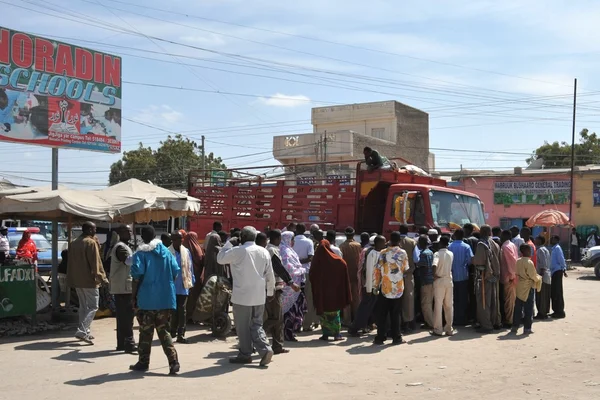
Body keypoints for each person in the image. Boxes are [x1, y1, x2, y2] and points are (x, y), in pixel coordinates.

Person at [217, 226, 275, 366]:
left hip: (242, 296)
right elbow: (270, 274)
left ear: (242, 237)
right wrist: (270, 292)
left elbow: (220, 258)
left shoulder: (238, 251)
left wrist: (229, 243)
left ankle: (245, 353)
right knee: (256, 324)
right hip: (259, 295)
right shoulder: (264, 251)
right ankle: (265, 348)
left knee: (242, 327)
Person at [130, 226, 180, 375]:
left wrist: (133, 297)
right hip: (165, 299)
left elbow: (136, 275)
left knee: (146, 332)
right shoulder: (166, 252)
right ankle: (173, 362)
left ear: (142, 237)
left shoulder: (141, 253)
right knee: (164, 331)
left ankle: (143, 362)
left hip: (146, 299)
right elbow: (175, 271)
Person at [67, 222, 107, 344]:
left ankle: (86, 332)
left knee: (83, 307)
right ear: (89, 230)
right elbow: (96, 264)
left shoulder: (74, 243)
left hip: (77, 280)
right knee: (93, 306)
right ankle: (82, 330)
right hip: (89, 280)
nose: (95, 231)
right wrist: (103, 279)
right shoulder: (90, 243)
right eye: (94, 229)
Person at [264, 230, 300, 354]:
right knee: (276, 318)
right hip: (274, 288)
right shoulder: (272, 250)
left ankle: (277, 345)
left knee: (276, 318)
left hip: (273, 288)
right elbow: (279, 268)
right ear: (277, 238)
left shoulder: (270, 249)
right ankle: (258, 335)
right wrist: (291, 282)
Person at [310, 238, 352, 341]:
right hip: (335, 293)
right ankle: (337, 334)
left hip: (322, 293)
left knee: (324, 314)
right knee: (334, 313)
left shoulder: (317, 261)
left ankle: (325, 334)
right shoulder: (338, 261)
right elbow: (344, 266)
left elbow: (311, 274)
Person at [373, 231, 409, 345]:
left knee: (382, 314)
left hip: (384, 287)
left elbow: (377, 270)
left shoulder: (383, 252)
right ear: (399, 241)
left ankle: (380, 337)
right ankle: (396, 337)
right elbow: (405, 269)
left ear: (390, 240)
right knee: (395, 314)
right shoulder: (403, 253)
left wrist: (375, 286)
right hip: (398, 288)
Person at [349, 235, 386, 336]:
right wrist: (369, 288)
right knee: (365, 308)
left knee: (375, 308)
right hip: (371, 286)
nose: (385, 244)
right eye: (383, 242)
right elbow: (369, 272)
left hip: (378, 286)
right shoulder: (372, 254)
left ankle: (371, 325)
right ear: (377, 243)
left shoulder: (382, 253)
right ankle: (354, 328)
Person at [109, 225, 137, 353]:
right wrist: (142, 253)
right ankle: (129, 343)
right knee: (126, 317)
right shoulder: (120, 247)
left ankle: (122, 343)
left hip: (123, 286)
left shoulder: (125, 246)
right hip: (122, 287)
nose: (130, 233)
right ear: (121, 233)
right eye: (128, 231)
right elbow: (128, 261)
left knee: (123, 317)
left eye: (131, 231)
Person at [472, 225, 501, 333]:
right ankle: (493, 322)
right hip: (494, 276)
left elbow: (479, 262)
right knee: (493, 300)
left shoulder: (481, 244)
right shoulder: (494, 243)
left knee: (483, 301)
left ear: (481, 232)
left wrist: (472, 260)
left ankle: (486, 325)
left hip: (484, 276)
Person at [279, 231, 307, 341]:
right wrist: (301, 270)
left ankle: (288, 333)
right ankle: (287, 334)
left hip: (294, 286)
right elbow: (288, 268)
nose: (293, 241)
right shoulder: (284, 251)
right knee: (288, 311)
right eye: (292, 239)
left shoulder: (288, 250)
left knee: (292, 310)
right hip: (289, 287)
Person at [168, 231, 194, 343]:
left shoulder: (186, 251)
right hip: (171, 285)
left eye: (181, 238)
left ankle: (181, 334)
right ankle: (172, 330)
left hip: (183, 285)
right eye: (177, 239)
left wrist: (192, 280)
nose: (180, 241)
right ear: (172, 240)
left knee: (182, 310)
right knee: (173, 310)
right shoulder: (168, 252)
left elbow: (190, 267)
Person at [511, 244, 541, 335]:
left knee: (518, 307)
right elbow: (532, 275)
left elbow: (516, 272)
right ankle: (527, 328)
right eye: (529, 250)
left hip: (520, 285)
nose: (531, 252)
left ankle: (515, 327)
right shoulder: (529, 262)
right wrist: (539, 279)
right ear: (526, 251)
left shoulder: (518, 261)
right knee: (528, 308)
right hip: (528, 287)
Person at [293, 224, 317, 332]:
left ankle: (293, 323)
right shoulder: (309, 242)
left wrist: (296, 262)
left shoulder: (291, 241)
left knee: (294, 299)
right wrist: (301, 262)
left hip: (293, 273)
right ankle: (307, 325)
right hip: (306, 272)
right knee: (308, 299)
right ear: (305, 230)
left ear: (296, 230)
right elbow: (310, 258)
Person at [448, 229, 473, 326]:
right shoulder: (466, 247)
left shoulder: (449, 247)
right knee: (463, 299)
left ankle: (454, 319)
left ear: (454, 235)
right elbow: (470, 260)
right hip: (463, 276)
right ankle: (462, 319)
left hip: (452, 276)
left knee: (453, 299)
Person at [431, 236, 455, 336]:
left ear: (440, 243)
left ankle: (438, 329)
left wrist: (434, 275)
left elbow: (434, 265)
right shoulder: (451, 253)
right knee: (449, 305)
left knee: (438, 305)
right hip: (449, 281)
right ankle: (449, 328)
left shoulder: (436, 254)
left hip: (439, 280)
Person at [339, 226, 362, 326]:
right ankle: (356, 318)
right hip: (356, 274)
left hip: (346, 274)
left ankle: (347, 320)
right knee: (356, 297)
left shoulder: (342, 246)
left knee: (347, 298)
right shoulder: (358, 245)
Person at [398, 224, 417, 331]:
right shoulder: (412, 242)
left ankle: (399, 321)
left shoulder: (393, 242)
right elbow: (416, 258)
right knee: (409, 299)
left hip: (395, 275)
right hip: (409, 274)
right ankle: (409, 322)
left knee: (396, 298)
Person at [183, 232, 205, 322]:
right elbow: (201, 259)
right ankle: (193, 316)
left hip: (185, 275)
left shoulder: (183, 247)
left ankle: (186, 315)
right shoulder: (198, 248)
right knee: (195, 295)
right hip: (196, 275)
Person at [500, 230, 519, 327]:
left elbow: (512, 262)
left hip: (509, 277)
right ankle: (511, 319)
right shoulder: (512, 245)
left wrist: (511, 275)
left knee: (509, 301)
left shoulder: (505, 247)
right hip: (512, 277)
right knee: (511, 300)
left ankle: (509, 321)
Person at [415, 235, 435, 329]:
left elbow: (421, 265)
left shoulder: (423, 254)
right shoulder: (430, 252)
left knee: (426, 303)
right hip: (431, 279)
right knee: (429, 302)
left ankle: (430, 323)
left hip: (426, 280)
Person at [549, 235, 567, 319]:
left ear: (557, 240)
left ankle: (560, 311)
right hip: (553, 272)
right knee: (554, 292)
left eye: (554, 239)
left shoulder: (557, 248)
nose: (552, 240)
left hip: (557, 271)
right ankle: (555, 310)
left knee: (557, 292)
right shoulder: (553, 248)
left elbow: (561, 259)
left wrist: (564, 268)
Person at [534, 235, 552, 320]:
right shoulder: (545, 249)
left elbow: (543, 264)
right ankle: (543, 312)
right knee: (544, 295)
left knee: (541, 296)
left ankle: (542, 313)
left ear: (540, 241)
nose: (535, 240)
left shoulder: (540, 250)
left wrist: (539, 276)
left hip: (542, 276)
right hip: (546, 275)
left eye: (536, 239)